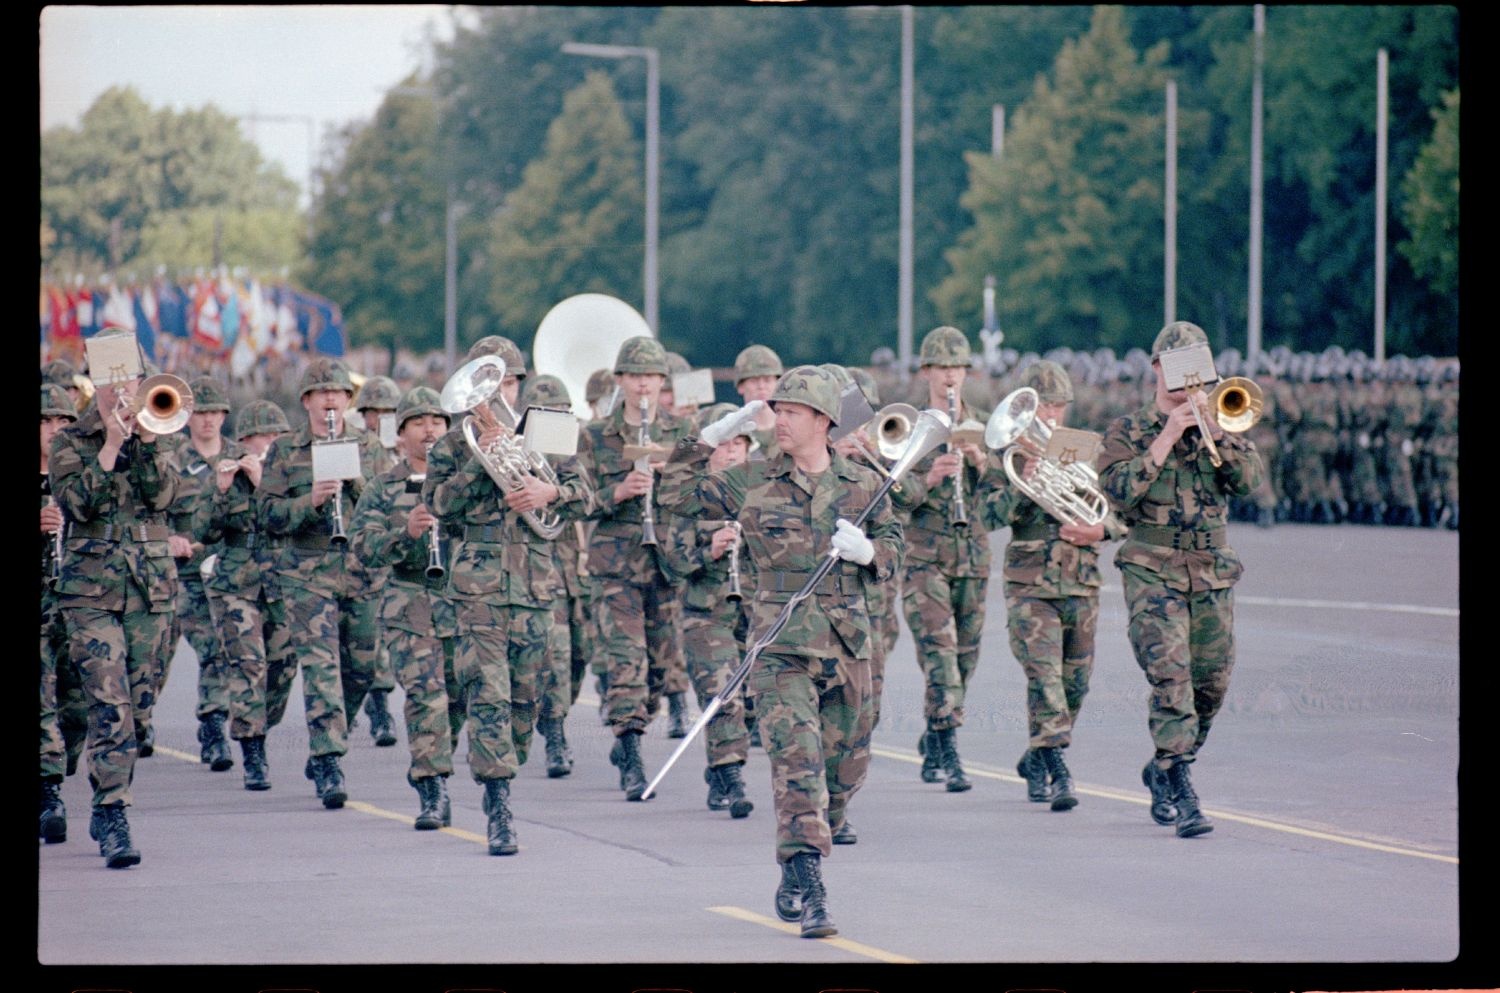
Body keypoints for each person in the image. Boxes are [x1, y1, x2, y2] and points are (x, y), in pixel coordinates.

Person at [662, 366, 901, 938]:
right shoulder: (752, 479)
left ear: (823, 420)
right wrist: (711, 435)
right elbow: (675, 494)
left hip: (848, 646)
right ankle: (810, 881)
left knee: (844, 772)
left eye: (791, 412)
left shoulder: (864, 483)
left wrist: (869, 554)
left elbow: (894, 549)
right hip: (780, 645)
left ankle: (804, 857)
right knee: (798, 768)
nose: (779, 420)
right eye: (778, 410)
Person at [423, 336, 594, 854]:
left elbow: (586, 495)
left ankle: (506, 766)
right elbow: (439, 504)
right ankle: (498, 806)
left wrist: (551, 492)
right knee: (488, 696)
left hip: (536, 584)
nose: (498, 394)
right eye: (488, 384)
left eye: (508, 382)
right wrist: (484, 454)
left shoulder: (550, 428)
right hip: (477, 586)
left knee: (526, 699)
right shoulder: (452, 445)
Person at [1097, 321, 1264, 839]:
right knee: (1172, 680)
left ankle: (1166, 765)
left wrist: (1218, 434)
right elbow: (1118, 492)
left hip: (1211, 571)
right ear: (1155, 370)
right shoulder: (1126, 431)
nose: (1188, 382)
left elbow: (1250, 482)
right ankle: (1181, 783)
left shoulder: (1222, 422)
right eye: (1176, 370)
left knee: (1211, 683)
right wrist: (1167, 436)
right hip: (1152, 570)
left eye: (1198, 372)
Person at [49, 329, 180, 868]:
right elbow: (77, 504)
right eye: (107, 378)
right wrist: (108, 444)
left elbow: (165, 496)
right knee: (110, 705)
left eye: (126, 377)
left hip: (149, 588)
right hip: (90, 592)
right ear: (92, 381)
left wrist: (143, 442)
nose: (117, 389)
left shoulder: (158, 429)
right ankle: (113, 811)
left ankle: (103, 790)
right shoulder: (69, 442)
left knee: (139, 709)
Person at [980, 361, 1122, 811]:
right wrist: (1026, 480)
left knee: (1075, 683)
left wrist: (1102, 531)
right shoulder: (1003, 458)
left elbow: (1115, 512)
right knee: (1045, 677)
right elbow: (986, 517)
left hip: (1080, 580)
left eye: (1059, 408)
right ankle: (1058, 767)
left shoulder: (1081, 448)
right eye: (1044, 409)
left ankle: (1037, 756)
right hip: (1030, 583)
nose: (1052, 418)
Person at [256, 357, 384, 809]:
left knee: (362, 667)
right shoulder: (286, 450)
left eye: (339, 393)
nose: (331, 400)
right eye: (322, 393)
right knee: (320, 666)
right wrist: (308, 502)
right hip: (306, 570)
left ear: (349, 400)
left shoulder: (369, 446)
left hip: (360, 570)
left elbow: (386, 506)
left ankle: (335, 735)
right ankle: (328, 758)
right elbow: (266, 514)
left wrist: (356, 482)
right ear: (307, 400)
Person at [576, 336, 694, 800]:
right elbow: (576, 501)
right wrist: (616, 494)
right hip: (615, 568)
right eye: (635, 376)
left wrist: (669, 477)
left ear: (662, 382)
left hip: (665, 563)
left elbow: (697, 494)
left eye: (652, 377)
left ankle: (636, 721)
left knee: (662, 669)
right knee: (627, 662)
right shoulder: (595, 436)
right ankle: (629, 750)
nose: (644, 385)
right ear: (620, 380)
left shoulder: (681, 434)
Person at [351, 386, 464, 829]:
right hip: (408, 604)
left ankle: (437, 758)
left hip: (461, 602)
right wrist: (406, 535)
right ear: (401, 434)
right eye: (419, 422)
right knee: (425, 696)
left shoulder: (464, 482)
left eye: (437, 420)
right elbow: (362, 545)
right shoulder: (384, 487)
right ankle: (431, 786)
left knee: (458, 695)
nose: (430, 428)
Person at [891, 326, 996, 794]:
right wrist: (928, 478)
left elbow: (1007, 496)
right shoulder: (905, 426)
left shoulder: (990, 424)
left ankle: (935, 731)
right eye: (942, 367)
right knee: (940, 654)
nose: (950, 376)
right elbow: (891, 494)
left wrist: (981, 462)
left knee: (966, 655)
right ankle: (950, 748)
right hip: (923, 557)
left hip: (971, 554)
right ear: (927, 371)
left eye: (957, 368)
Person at [659, 402, 757, 819]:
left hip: (756, 614)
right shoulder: (691, 499)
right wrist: (708, 550)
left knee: (751, 701)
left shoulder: (767, 492)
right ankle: (732, 777)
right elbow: (670, 561)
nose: (732, 452)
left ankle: (719, 768)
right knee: (723, 696)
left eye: (740, 444)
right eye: (725, 444)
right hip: (706, 613)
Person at [192, 399, 296, 791]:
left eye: (273, 436)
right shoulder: (226, 471)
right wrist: (221, 490)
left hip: (280, 579)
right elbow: (203, 530)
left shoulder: (289, 474)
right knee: (248, 663)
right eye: (258, 437)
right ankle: (252, 750)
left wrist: (262, 484)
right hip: (235, 581)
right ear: (244, 441)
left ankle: (260, 726)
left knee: (283, 666)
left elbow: (295, 520)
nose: (266, 444)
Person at [165, 376, 237, 773]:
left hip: (229, 574)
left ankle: (215, 724)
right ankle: (208, 724)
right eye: (201, 413)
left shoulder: (239, 458)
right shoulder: (173, 462)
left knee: (224, 650)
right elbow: (154, 512)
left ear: (225, 415)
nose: (208, 420)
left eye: (215, 412)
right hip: (187, 575)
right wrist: (171, 537)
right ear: (188, 417)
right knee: (204, 648)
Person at [519, 373, 589, 779]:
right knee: (556, 656)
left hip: (571, 572)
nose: (555, 420)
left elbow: (586, 497)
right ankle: (556, 733)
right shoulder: (512, 449)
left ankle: (552, 716)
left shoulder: (567, 453)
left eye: (561, 413)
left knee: (581, 653)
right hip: (532, 572)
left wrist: (555, 493)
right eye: (546, 414)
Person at [40, 383, 85, 844]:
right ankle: (49, 790)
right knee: (42, 699)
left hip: (77, 600)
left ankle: (59, 767)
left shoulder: (76, 473)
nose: (54, 431)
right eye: (46, 422)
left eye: (63, 422)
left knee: (76, 708)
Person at [733, 345, 783, 456]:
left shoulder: (792, 429)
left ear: (778, 384)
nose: (761, 386)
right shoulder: (731, 431)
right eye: (753, 380)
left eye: (767, 380)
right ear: (740, 386)